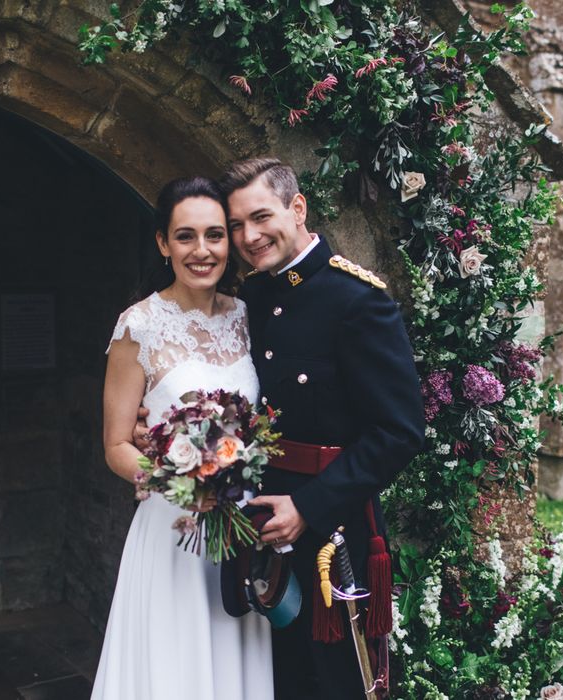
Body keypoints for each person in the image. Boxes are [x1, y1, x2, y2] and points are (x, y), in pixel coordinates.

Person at [220, 158, 425, 700]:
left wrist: (308, 508)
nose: (248, 236)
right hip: (261, 522)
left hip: (334, 533)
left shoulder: (358, 300)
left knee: (337, 682)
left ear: (297, 208)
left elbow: (399, 431)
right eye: (237, 225)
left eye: (260, 217)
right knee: (275, 681)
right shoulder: (255, 298)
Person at [92, 176, 273, 700]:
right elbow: (116, 445)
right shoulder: (139, 327)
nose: (202, 251)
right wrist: (180, 481)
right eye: (186, 236)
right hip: (175, 529)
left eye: (215, 235)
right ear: (162, 243)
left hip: (240, 531)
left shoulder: (246, 316)